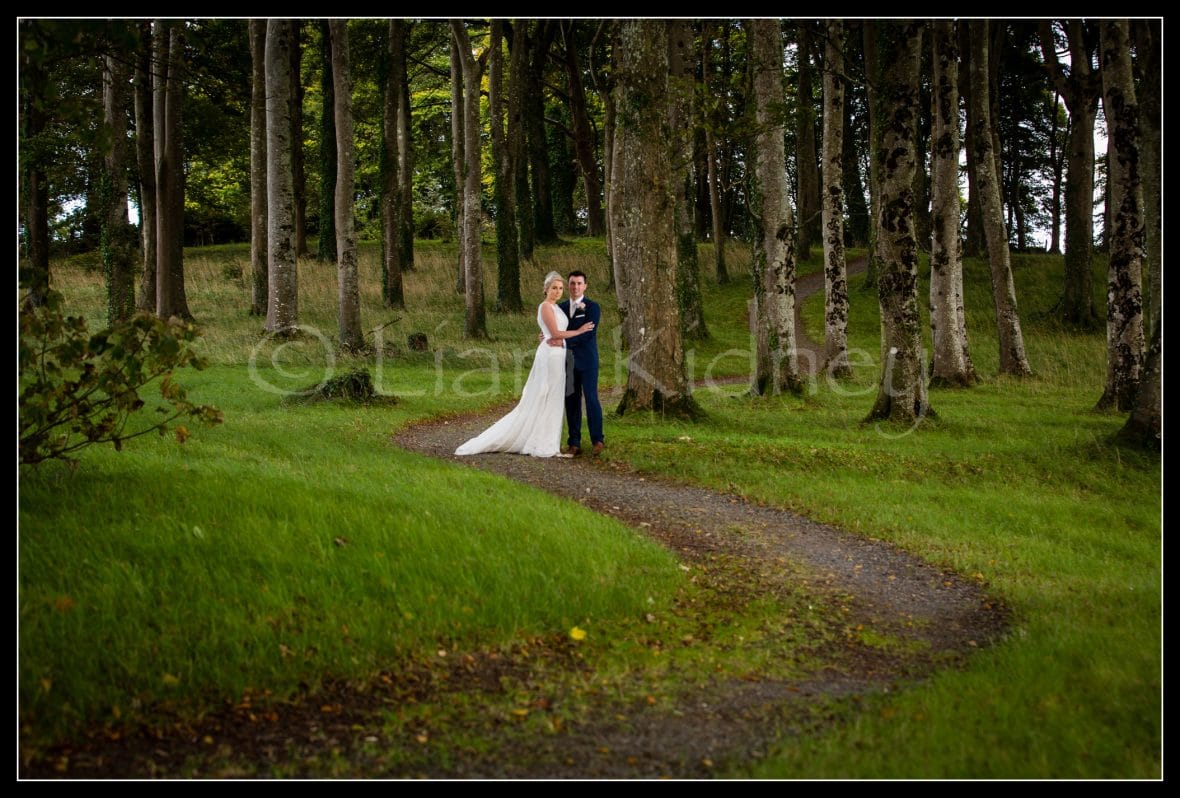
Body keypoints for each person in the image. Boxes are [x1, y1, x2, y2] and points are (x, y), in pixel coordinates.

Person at [455, 272, 595, 458]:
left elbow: (553, 331)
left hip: (559, 356)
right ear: (545, 289)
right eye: (554, 288)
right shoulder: (545, 306)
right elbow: (554, 333)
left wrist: (552, 335)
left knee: (553, 398)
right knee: (543, 395)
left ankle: (548, 441)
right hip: (550, 356)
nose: (558, 291)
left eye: (560, 288)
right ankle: (538, 442)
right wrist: (579, 331)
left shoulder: (558, 308)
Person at [559, 271, 604, 456]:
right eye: (572, 283)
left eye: (579, 283)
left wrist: (561, 341)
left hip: (588, 361)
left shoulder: (593, 307)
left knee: (591, 399)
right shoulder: (560, 308)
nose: (575, 287)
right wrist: (547, 336)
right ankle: (574, 442)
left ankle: (597, 440)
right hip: (567, 361)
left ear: (585, 286)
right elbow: (554, 330)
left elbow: (588, 334)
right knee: (571, 401)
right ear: (568, 286)